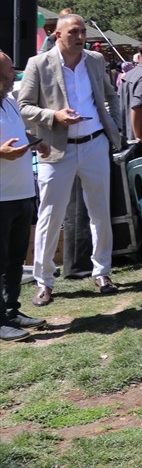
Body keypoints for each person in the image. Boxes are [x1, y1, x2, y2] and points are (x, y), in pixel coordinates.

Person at [18, 14, 122, 306]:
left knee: (100, 212)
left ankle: (102, 272)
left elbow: (110, 94)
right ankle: (44, 281)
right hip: (56, 150)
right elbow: (23, 106)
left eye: (83, 31)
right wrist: (54, 116)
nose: (81, 36)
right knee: (49, 217)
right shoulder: (38, 64)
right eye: (74, 32)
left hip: (95, 144)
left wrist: (114, 125)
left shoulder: (95, 60)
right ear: (57, 35)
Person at [1, 50, 49, 341]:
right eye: (7, 74)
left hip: (21, 193)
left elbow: (17, 133)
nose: (12, 78)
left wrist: (35, 142)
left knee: (15, 259)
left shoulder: (9, 103)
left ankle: (10, 310)